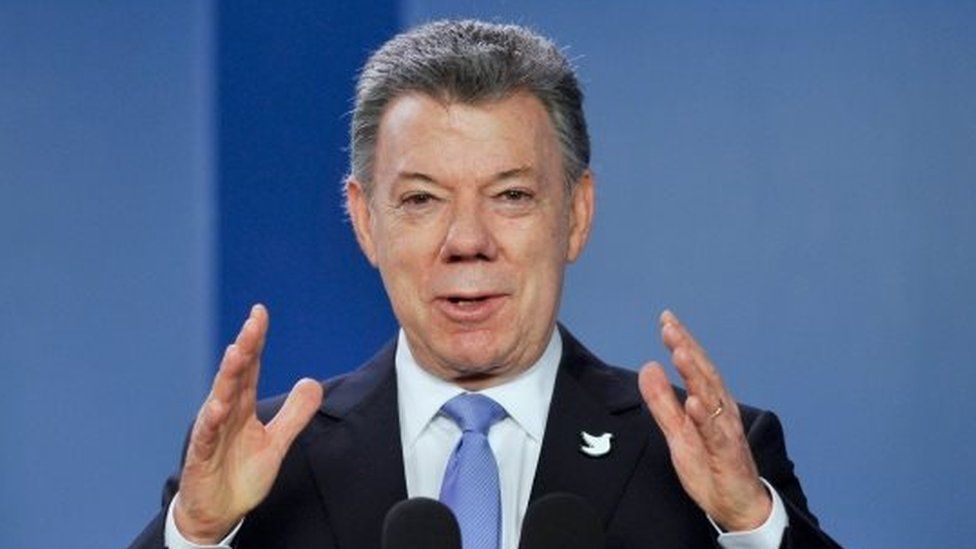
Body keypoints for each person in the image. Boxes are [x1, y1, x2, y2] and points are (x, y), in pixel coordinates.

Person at [131, 20, 839, 549]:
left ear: (576, 214)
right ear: (364, 221)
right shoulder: (266, 466)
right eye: (421, 199)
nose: (467, 241)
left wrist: (749, 525)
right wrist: (196, 534)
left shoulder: (709, 458)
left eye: (510, 195)